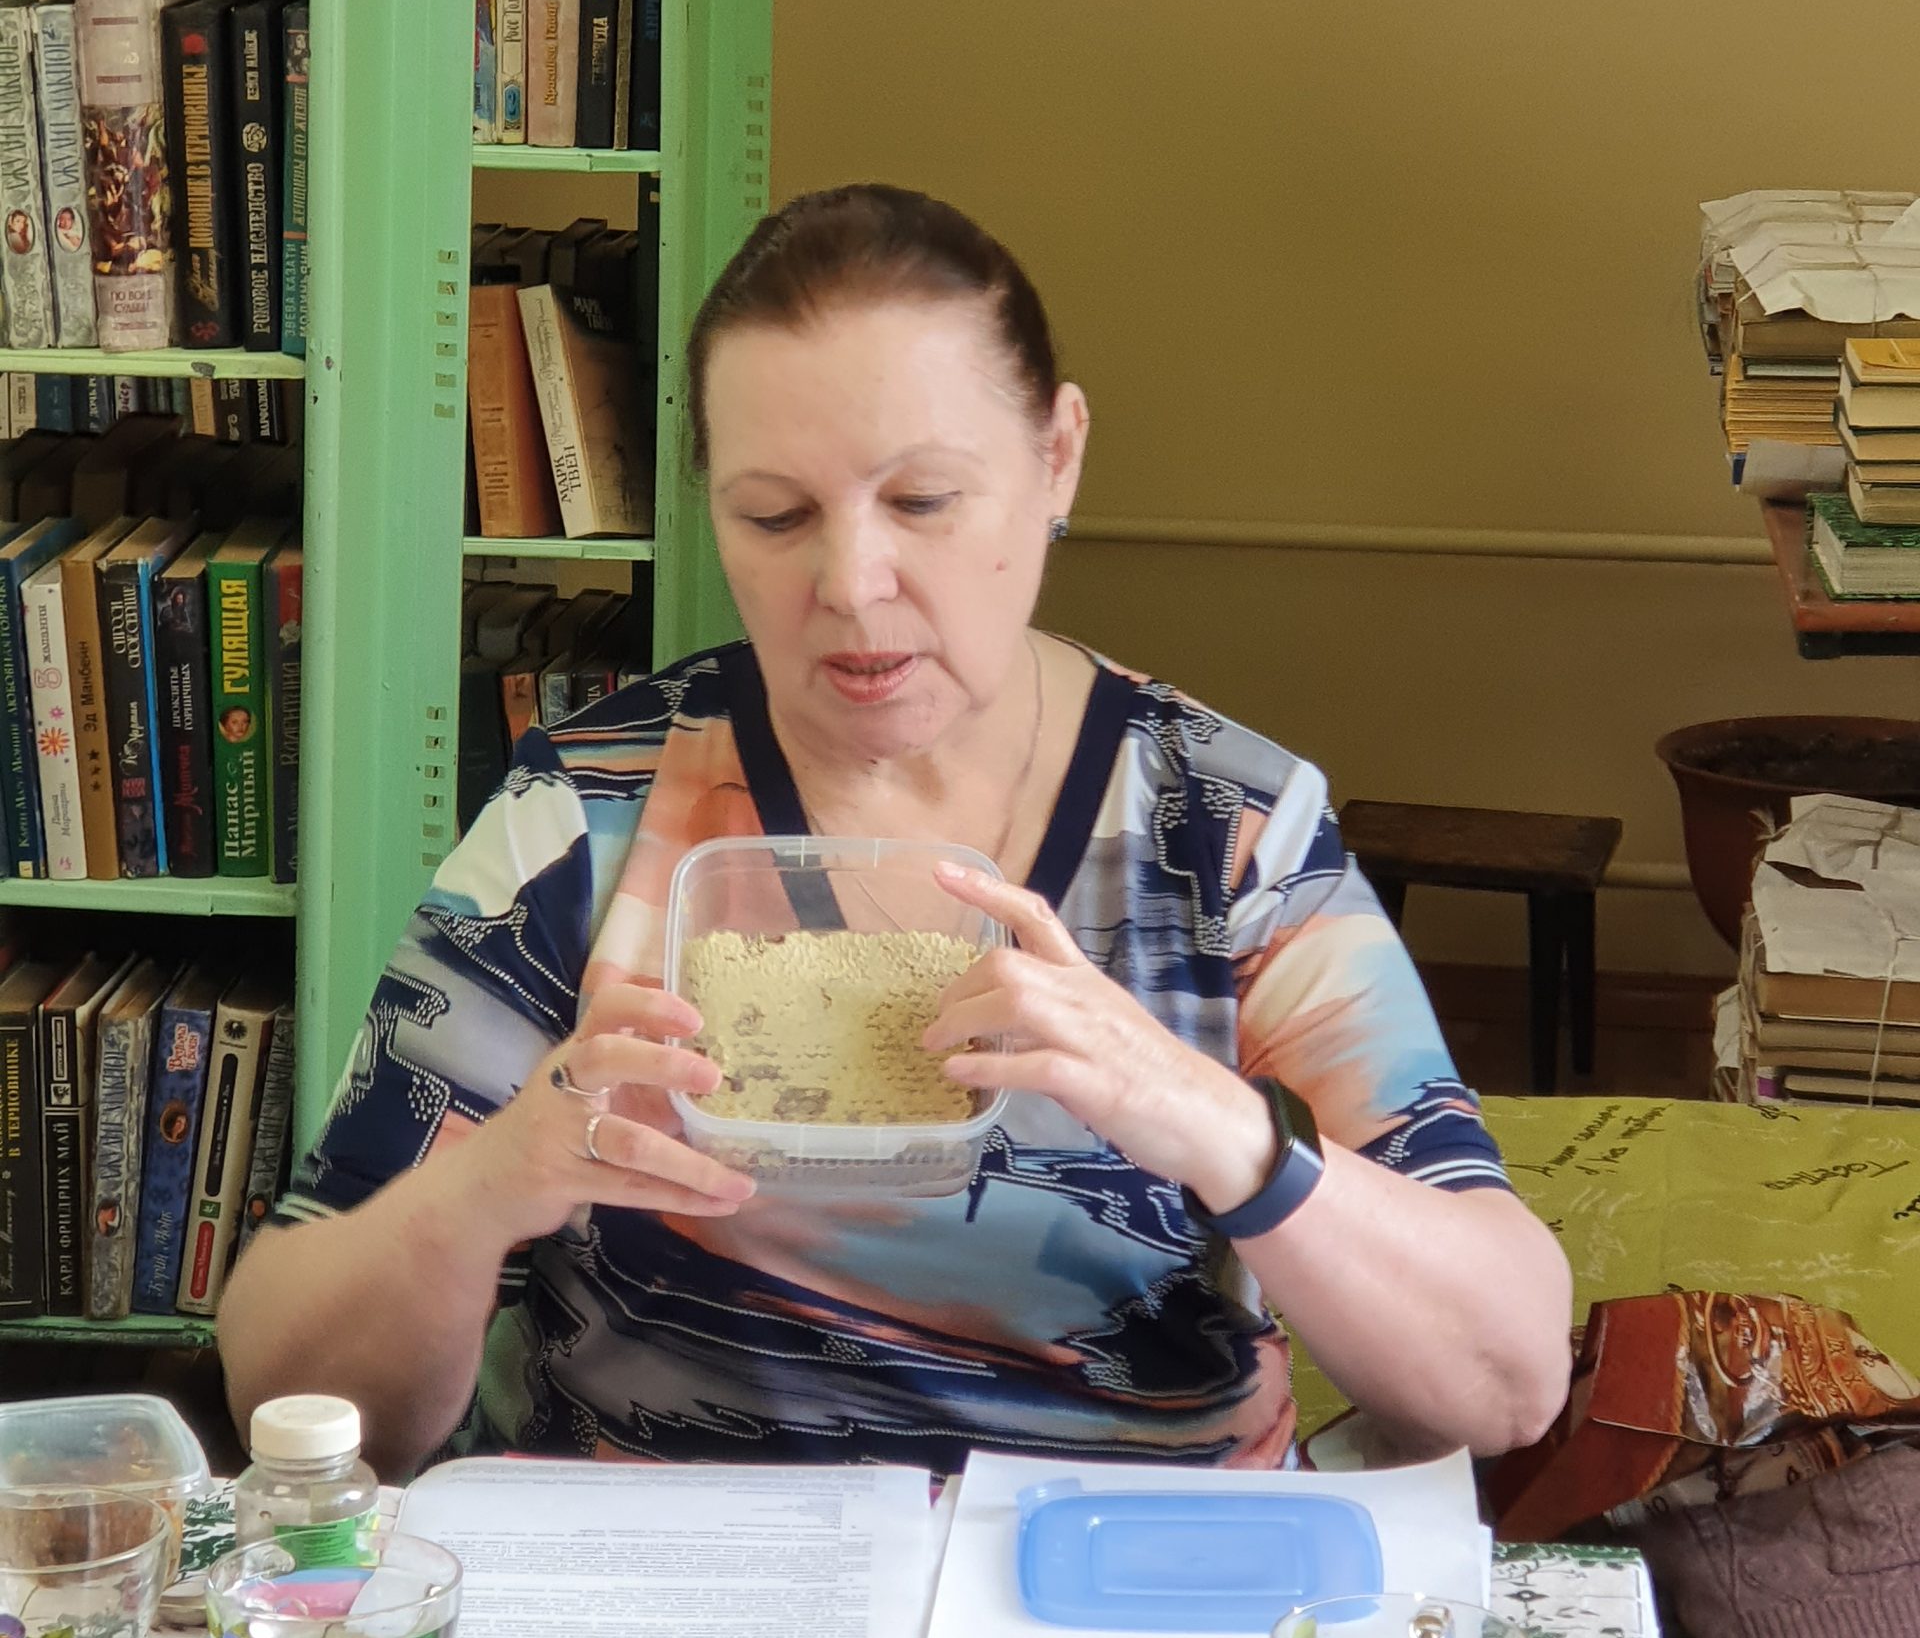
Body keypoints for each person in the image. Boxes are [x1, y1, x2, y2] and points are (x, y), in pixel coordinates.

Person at [220, 185, 1571, 1477]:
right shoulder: (591, 811)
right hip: (674, 1580)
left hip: (1124, 1568)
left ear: (1058, 457)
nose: (853, 584)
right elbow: (292, 1401)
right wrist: (481, 1195)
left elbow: (1506, 1382)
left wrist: (1209, 1120)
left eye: (922, 501)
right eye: (776, 514)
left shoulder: (1224, 827)